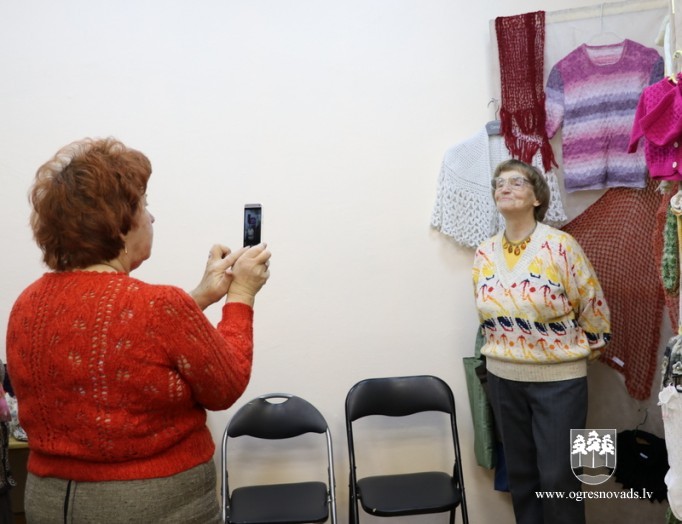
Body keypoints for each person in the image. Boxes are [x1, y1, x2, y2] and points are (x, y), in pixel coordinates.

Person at [5, 137, 271, 523]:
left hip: (48, 502)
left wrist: (199, 296)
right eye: (144, 206)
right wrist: (242, 294)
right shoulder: (158, 306)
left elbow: (123, 342)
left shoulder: (27, 304)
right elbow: (225, 385)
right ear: (120, 225)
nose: (151, 218)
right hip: (150, 504)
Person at [472, 159, 611, 524]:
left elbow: (593, 307)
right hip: (503, 379)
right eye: (499, 183)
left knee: (558, 478)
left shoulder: (561, 246)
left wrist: (569, 356)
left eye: (516, 182)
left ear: (537, 198)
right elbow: (484, 314)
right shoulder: (484, 252)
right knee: (522, 477)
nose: (505, 187)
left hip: (559, 381)